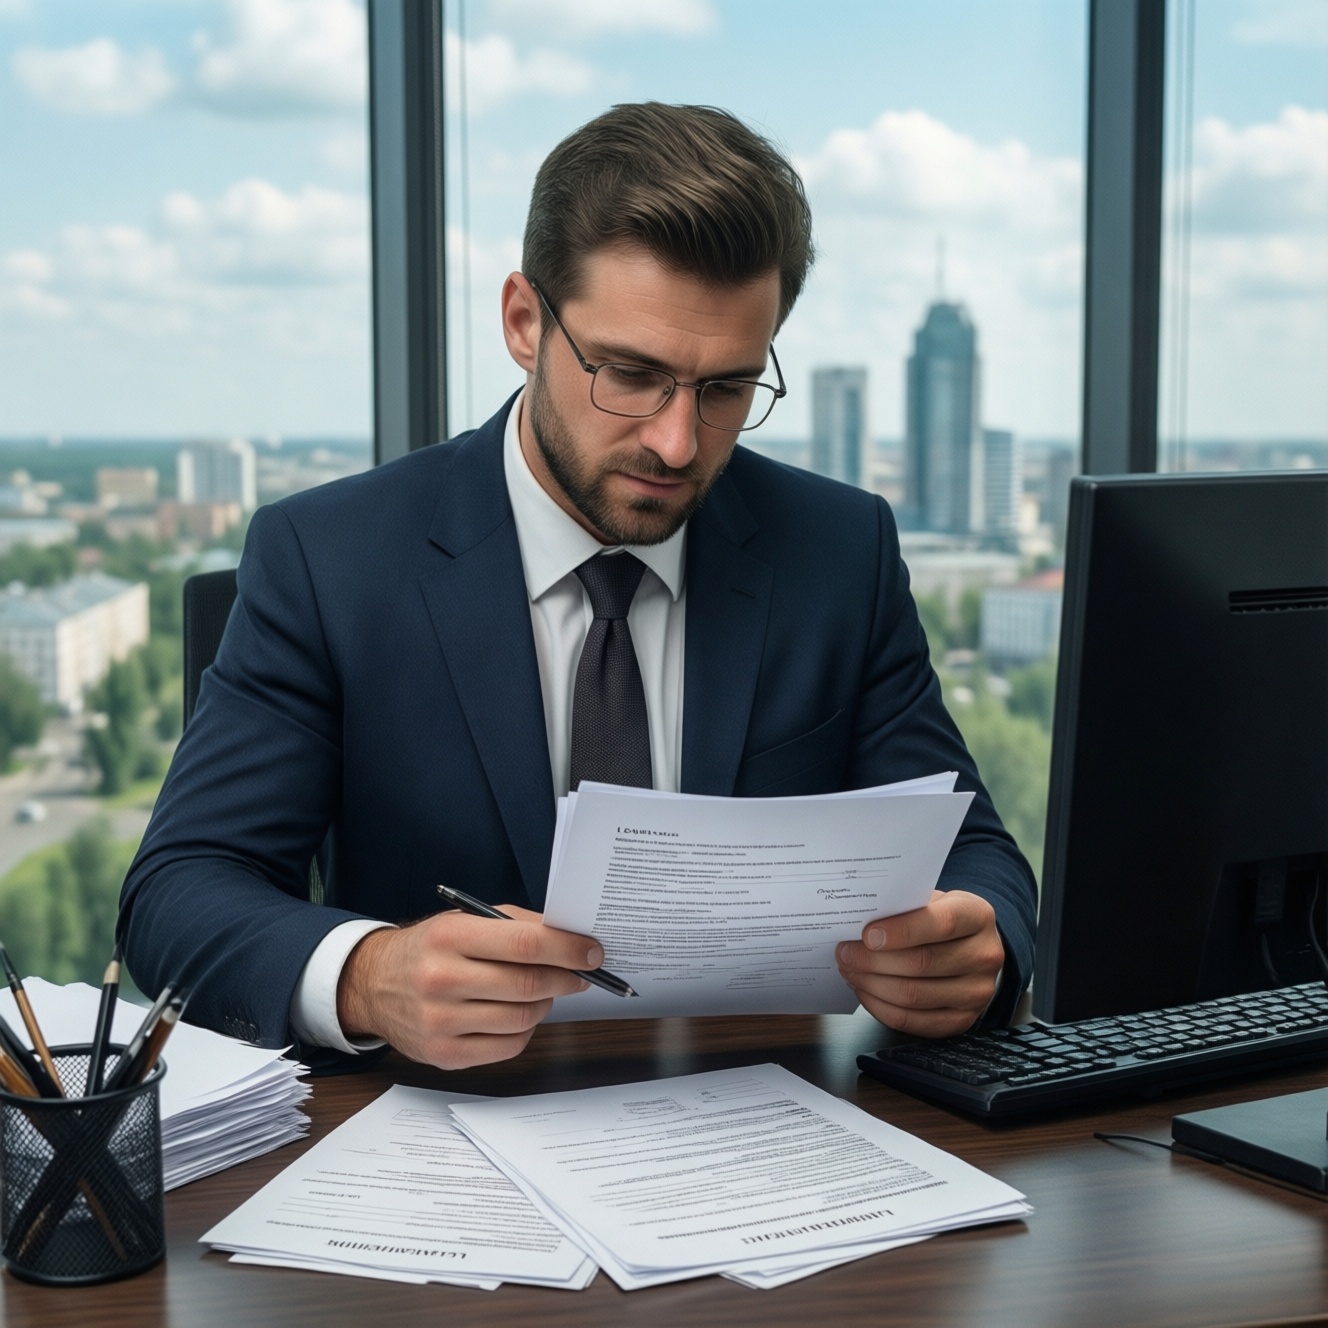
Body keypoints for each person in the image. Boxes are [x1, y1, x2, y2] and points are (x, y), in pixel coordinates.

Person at [119, 102, 1036, 1073]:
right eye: (630, 374)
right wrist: (367, 973)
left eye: (725, 387)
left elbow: (974, 853)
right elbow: (179, 890)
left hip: (763, 1130)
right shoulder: (329, 556)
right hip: (433, 1149)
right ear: (524, 320)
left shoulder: (837, 548)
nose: (676, 442)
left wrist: (976, 945)